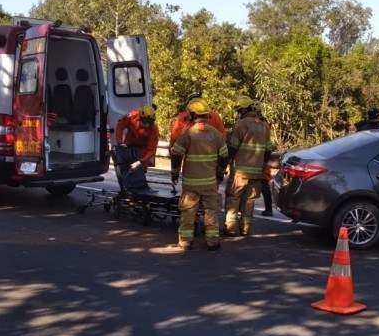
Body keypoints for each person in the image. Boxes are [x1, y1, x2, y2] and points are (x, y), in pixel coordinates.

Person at [170, 98, 228, 251]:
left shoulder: (188, 133)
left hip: (191, 183)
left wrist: (175, 172)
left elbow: (176, 154)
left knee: (188, 212)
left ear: (191, 114)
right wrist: (220, 173)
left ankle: (185, 242)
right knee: (211, 212)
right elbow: (224, 156)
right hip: (210, 182)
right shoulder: (216, 134)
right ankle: (213, 242)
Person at [224, 96, 273, 236]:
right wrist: (262, 165)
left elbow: (232, 148)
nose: (239, 113)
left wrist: (225, 164)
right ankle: (246, 229)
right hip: (256, 172)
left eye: (239, 110)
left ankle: (230, 229)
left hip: (240, 171)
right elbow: (268, 150)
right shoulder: (264, 126)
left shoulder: (241, 124)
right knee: (249, 201)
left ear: (244, 109)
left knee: (233, 199)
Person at [113, 105, 159, 190]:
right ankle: (127, 188)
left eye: (149, 122)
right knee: (125, 168)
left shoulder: (153, 129)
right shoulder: (131, 116)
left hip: (142, 149)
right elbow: (120, 126)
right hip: (129, 146)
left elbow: (151, 149)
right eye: (145, 122)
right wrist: (120, 142)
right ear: (140, 117)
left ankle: (138, 187)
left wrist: (140, 162)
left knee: (140, 170)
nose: (147, 125)